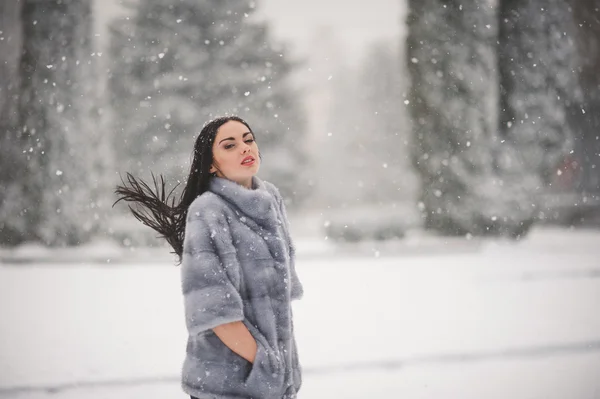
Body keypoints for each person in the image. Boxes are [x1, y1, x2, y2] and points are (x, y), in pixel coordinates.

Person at [114, 116, 304, 398]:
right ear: (211, 165)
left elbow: (281, 300)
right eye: (230, 145)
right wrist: (268, 367)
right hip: (225, 385)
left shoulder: (270, 200)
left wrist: (282, 370)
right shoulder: (209, 210)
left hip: (272, 384)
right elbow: (216, 313)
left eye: (248, 139)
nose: (244, 148)